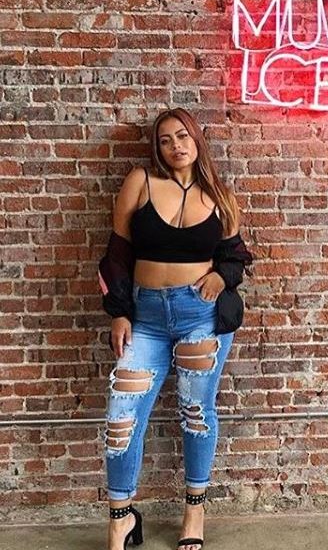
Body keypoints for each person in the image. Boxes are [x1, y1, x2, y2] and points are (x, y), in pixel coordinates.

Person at [97, 107, 253, 550]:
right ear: (157, 148)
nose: (175, 146)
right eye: (165, 140)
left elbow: (236, 255)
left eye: (182, 136)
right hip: (145, 318)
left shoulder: (219, 195)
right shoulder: (140, 181)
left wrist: (221, 275)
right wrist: (119, 312)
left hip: (199, 316)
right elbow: (117, 252)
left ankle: (194, 513)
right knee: (121, 416)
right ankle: (121, 520)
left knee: (196, 413)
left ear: (197, 140)